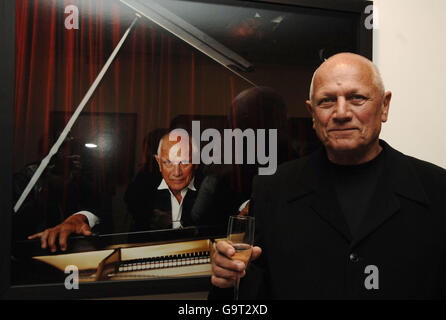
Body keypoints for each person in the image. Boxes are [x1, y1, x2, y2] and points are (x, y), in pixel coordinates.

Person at [209, 52, 446, 299]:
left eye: (357, 98)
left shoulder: (437, 190)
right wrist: (226, 281)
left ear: (384, 106)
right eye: (327, 101)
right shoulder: (273, 190)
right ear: (312, 114)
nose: (341, 113)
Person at [28, 130, 238, 252]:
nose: (177, 171)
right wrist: (78, 218)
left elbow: (230, 218)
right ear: (158, 162)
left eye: (185, 161)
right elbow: (107, 211)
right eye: (168, 162)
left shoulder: (212, 187)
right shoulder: (144, 182)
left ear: (197, 162)